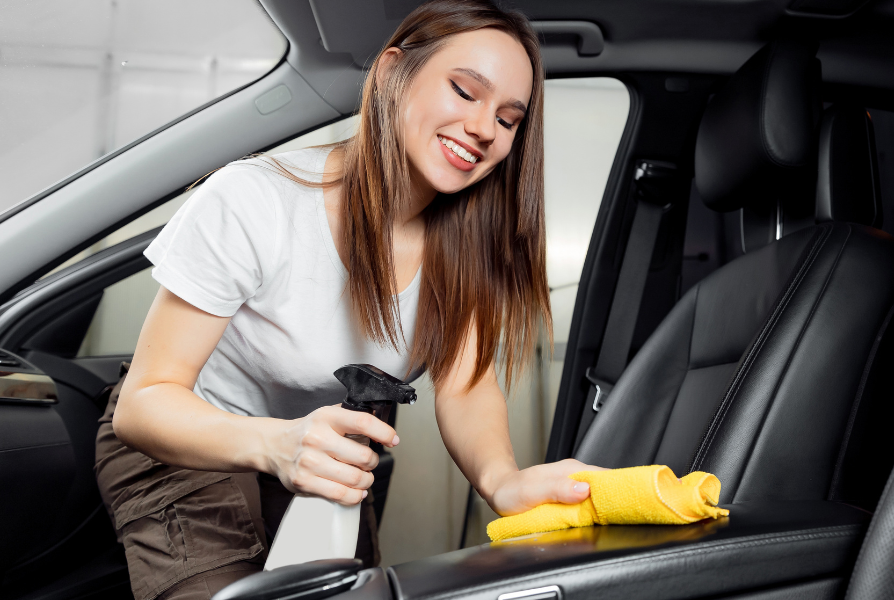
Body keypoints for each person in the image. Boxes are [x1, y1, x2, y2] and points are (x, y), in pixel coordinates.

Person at [94, 2, 601, 598]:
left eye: (509, 119)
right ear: (391, 74)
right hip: (192, 439)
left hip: (322, 455)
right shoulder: (255, 200)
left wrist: (502, 481)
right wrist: (276, 444)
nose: (486, 128)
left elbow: (466, 383)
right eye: (465, 91)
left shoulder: (464, 247)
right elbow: (143, 404)